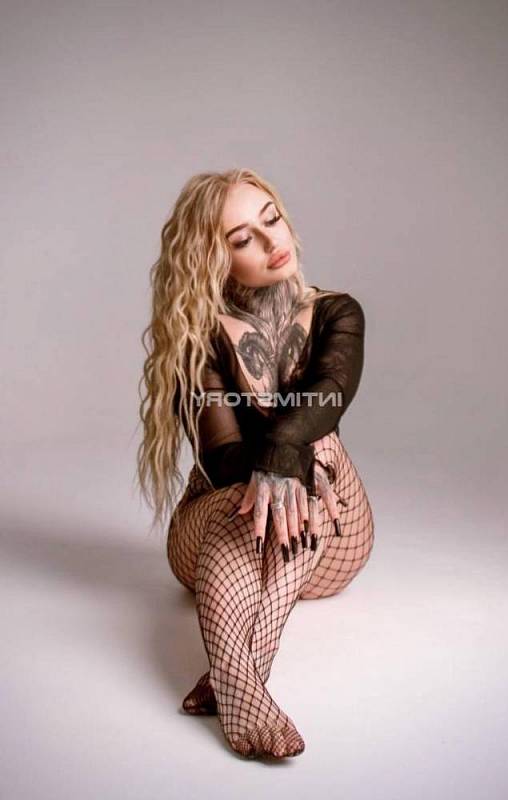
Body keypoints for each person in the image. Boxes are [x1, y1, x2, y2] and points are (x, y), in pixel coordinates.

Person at [136, 168, 375, 760]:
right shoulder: (198, 336)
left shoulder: (338, 312)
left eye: (272, 219)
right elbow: (221, 459)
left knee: (317, 448)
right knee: (291, 469)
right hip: (218, 530)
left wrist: (285, 455)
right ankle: (243, 683)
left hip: (330, 539)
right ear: (213, 260)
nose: (272, 241)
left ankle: (237, 674)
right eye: (243, 238)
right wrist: (279, 462)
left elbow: (330, 392)